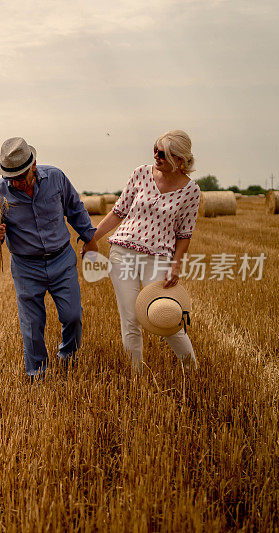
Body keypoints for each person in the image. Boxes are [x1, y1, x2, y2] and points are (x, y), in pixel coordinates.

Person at [82, 129, 200, 373]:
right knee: (131, 320)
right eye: (155, 150)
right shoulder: (141, 173)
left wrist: (175, 266)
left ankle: (193, 370)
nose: (156, 156)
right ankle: (137, 377)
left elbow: (184, 235)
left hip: (158, 258)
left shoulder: (191, 191)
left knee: (166, 316)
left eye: (163, 153)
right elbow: (118, 212)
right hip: (122, 252)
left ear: (180, 160)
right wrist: (92, 238)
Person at [0, 137, 96, 379]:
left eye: (20, 178)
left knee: (72, 315)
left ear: (33, 165)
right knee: (32, 326)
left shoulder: (56, 177)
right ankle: (37, 373)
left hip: (61, 259)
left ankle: (67, 356)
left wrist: (89, 238)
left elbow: (75, 208)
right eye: (10, 178)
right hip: (26, 266)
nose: (16, 184)